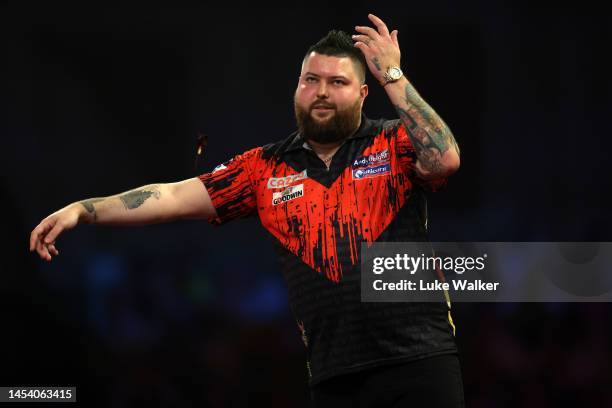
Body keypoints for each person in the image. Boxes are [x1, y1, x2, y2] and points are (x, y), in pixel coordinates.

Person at [30, 14, 463, 408]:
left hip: (420, 360)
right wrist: (85, 210)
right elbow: (174, 197)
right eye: (310, 80)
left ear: (364, 93)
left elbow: (444, 159)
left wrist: (392, 73)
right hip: (335, 375)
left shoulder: (394, 141)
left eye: (338, 82)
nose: (321, 93)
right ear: (296, 86)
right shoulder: (263, 167)